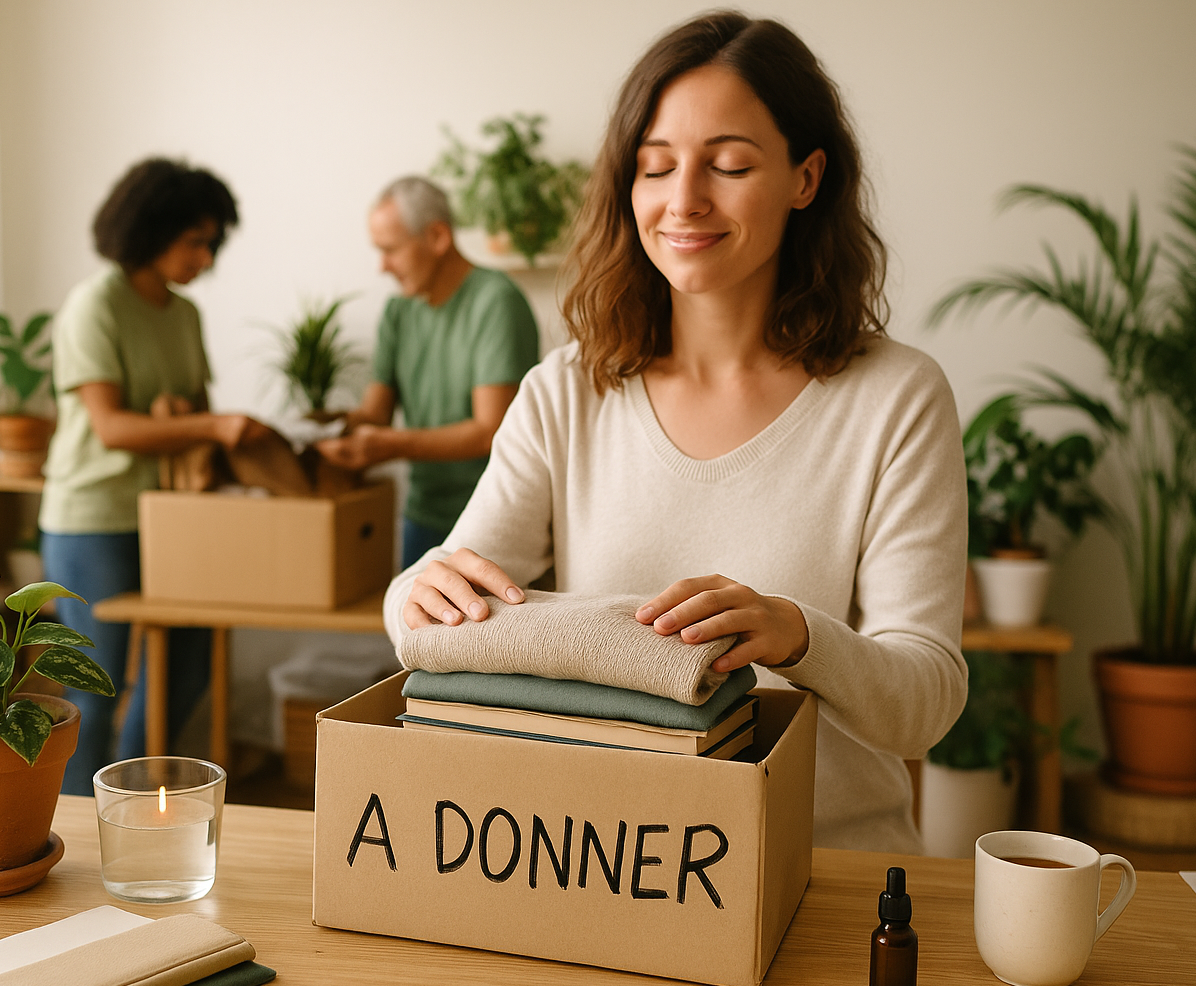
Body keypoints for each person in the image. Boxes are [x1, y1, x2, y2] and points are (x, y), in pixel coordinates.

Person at [383, 13, 968, 854]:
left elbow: (926, 705)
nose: (684, 199)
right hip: (610, 868)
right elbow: (431, 602)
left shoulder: (896, 399)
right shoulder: (566, 392)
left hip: (830, 871)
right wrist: (413, 595)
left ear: (806, 178)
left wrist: (798, 636)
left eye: (729, 165)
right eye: (656, 166)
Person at [40, 157, 273, 795]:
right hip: (94, 518)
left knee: (187, 670)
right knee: (96, 686)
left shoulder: (184, 315)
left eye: (213, 243)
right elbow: (112, 427)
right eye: (196, 241)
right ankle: (82, 823)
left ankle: (134, 797)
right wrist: (214, 426)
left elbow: (195, 413)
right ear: (152, 231)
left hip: (172, 518)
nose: (206, 257)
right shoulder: (95, 305)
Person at [316, 177, 539, 568]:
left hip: (491, 520)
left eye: (390, 250)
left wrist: (391, 445)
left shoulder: (496, 301)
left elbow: (489, 430)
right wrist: (318, 429)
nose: (382, 266)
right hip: (421, 516)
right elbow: (375, 415)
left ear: (437, 237)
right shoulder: (398, 311)